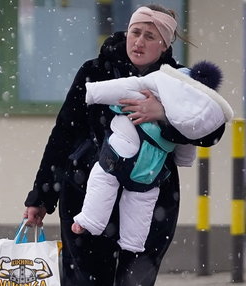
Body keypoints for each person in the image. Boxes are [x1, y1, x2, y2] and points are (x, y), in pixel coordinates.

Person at [23, 5, 225, 286]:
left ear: (165, 44)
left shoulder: (178, 81)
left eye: (151, 36)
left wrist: (164, 116)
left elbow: (212, 128)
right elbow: (63, 132)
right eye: (136, 32)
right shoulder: (94, 70)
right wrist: (40, 197)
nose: (140, 41)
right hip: (88, 191)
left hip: (152, 200)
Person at [72, 61, 232, 252]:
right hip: (151, 169)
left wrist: (93, 92)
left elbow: (123, 88)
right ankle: (133, 242)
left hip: (120, 153)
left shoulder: (150, 86)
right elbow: (187, 143)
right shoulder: (187, 118)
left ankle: (90, 220)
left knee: (103, 179)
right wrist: (184, 160)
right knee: (142, 200)